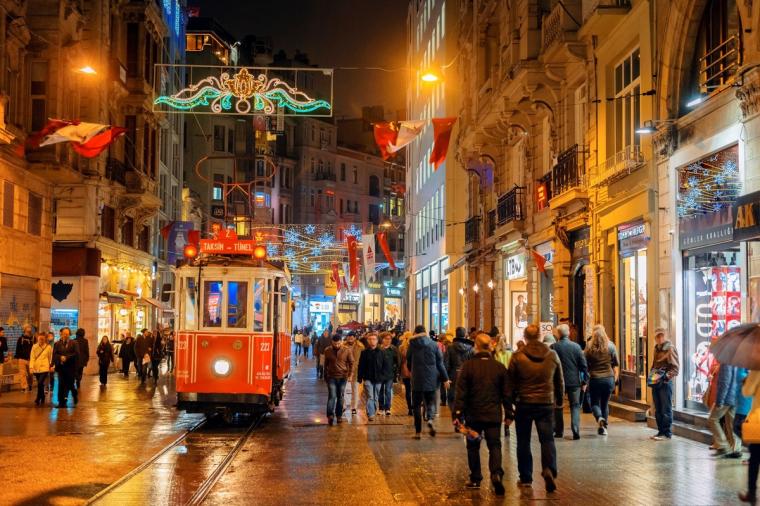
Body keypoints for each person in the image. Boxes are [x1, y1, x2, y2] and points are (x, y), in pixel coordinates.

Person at [504, 324, 563, 492]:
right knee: (547, 439)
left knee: (523, 441)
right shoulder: (552, 355)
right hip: (545, 403)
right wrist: (558, 401)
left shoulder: (518, 356)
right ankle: (549, 469)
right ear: (539, 335)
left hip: (524, 403)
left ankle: (526, 477)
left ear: (525, 336)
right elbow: (560, 380)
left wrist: (510, 405)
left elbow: (509, 383)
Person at [451, 332, 509, 495]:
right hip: (493, 415)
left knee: (473, 447)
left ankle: (476, 478)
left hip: (473, 416)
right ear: (490, 346)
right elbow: (506, 393)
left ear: (475, 346)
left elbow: (460, 393)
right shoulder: (499, 367)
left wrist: (457, 414)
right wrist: (510, 413)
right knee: (495, 445)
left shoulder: (468, 367)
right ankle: (496, 473)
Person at [406, 325, 450, 438]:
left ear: (415, 333)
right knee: (430, 402)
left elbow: (409, 362)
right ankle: (430, 419)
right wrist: (445, 378)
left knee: (416, 405)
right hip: (431, 378)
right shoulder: (434, 345)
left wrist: (413, 371)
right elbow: (440, 363)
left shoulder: (412, 345)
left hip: (417, 378)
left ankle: (418, 432)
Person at [551, 324, 588, 440]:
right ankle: (575, 429)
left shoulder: (553, 347)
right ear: (569, 333)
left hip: (558, 382)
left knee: (558, 406)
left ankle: (559, 431)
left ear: (558, 334)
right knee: (575, 406)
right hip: (574, 382)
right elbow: (583, 365)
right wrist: (585, 381)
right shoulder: (576, 347)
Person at [584, 325, 619, 436]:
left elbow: (584, 363)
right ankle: (603, 427)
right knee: (605, 403)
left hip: (595, 379)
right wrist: (615, 379)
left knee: (594, 403)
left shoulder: (589, 347)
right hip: (608, 379)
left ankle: (599, 418)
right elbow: (615, 363)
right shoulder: (611, 346)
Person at [649, 328, 680, 441]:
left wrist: (665, 377)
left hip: (665, 383)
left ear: (665, 336)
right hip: (656, 381)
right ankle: (660, 431)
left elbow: (675, 368)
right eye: (657, 336)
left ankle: (666, 433)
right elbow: (654, 364)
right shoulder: (656, 349)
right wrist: (652, 376)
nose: (659, 338)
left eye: (661, 335)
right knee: (658, 408)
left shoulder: (670, 349)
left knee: (666, 408)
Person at [708, 360, 742, 457]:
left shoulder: (726, 362)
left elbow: (725, 382)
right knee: (731, 423)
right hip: (736, 397)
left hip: (727, 398)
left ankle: (723, 446)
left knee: (712, 419)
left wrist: (719, 401)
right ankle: (736, 449)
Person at [739, 370, 760, 504]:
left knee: (755, 458)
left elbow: (747, 392)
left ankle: (752, 493)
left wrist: (746, 381)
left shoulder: (757, 370)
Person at [323, 334, 354, 425]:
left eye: (338, 343)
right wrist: (325, 376)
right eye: (335, 344)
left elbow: (352, 362)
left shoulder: (347, 350)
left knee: (340, 396)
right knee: (332, 396)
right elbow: (326, 364)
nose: (336, 345)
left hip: (343, 377)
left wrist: (350, 374)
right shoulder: (327, 350)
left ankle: (339, 415)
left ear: (341, 342)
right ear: (332, 342)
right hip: (331, 377)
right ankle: (330, 415)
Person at [357, 333, 388, 421]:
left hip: (379, 378)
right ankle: (370, 414)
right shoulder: (364, 352)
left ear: (377, 341)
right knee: (370, 396)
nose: (372, 341)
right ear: (367, 340)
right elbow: (361, 365)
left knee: (376, 396)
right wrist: (359, 377)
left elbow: (385, 365)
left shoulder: (382, 352)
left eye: (374, 339)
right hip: (368, 377)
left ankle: (372, 411)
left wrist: (384, 376)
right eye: (370, 339)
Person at [446, 327, 474, 407]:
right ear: (465, 335)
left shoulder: (450, 347)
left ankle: (455, 413)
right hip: (467, 373)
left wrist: (446, 377)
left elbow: (446, 363)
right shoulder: (471, 348)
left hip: (453, 374)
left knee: (452, 396)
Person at [53, 327, 79, 407]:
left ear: (69, 334)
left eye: (67, 334)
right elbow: (55, 354)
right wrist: (60, 357)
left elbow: (76, 354)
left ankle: (74, 394)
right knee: (61, 384)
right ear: (61, 334)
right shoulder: (57, 344)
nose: (65, 335)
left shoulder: (74, 343)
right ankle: (61, 402)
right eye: (64, 334)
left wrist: (67, 357)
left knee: (70, 384)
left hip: (71, 368)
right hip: (61, 368)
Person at [343, 332, 364, 415]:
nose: (350, 339)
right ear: (347, 338)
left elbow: (362, 361)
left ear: (355, 338)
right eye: (349, 337)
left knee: (355, 389)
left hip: (356, 371)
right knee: (343, 389)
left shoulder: (360, 347)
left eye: (352, 337)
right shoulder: (343, 346)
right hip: (344, 370)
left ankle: (354, 407)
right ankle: (343, 405)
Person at [379, 332, 399, 416]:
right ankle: (381, 407)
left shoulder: (393, 349)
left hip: (389, 373)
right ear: (382, 339)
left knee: (387, 391)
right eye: (386, 339)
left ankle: (387, 408)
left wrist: (396, 371)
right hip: (379, 374)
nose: (388, 341)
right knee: (380, 391)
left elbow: (397, 361)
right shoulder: (378, 349)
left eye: (389, 339)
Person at [29, 332, 52, 406]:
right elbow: (32, 357)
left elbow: (50, 357)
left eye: (42, 339)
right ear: (37, 338)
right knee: (40, 384)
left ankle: (38, 398)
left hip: (45, 367)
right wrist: (31, 367)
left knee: (39, 383)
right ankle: (42, 396)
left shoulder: (48, 347)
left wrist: (51, 366)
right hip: (36, 368)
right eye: (40, 338)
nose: (41, 340)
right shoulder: (34, 346)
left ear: (45, 339)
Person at [398, 331, 414, 416]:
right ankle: (414, 407)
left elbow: (400, 360)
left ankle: (410, 408)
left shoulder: (401, 347)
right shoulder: (415, 346)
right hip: (414, 370)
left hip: (405, 370)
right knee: (414, 390)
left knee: (408, 389)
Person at [15, 325, 34, 392]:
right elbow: (17, 348)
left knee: (30, 374)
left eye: (30, 327)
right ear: (24, 329)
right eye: (28, 327)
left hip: (30, 359)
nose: (29, 328)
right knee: (22, 374)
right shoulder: (20, 339)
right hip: (22, 359)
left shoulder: (32, 338)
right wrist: (17, 357)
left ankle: (30, 385)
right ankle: (24, 387)